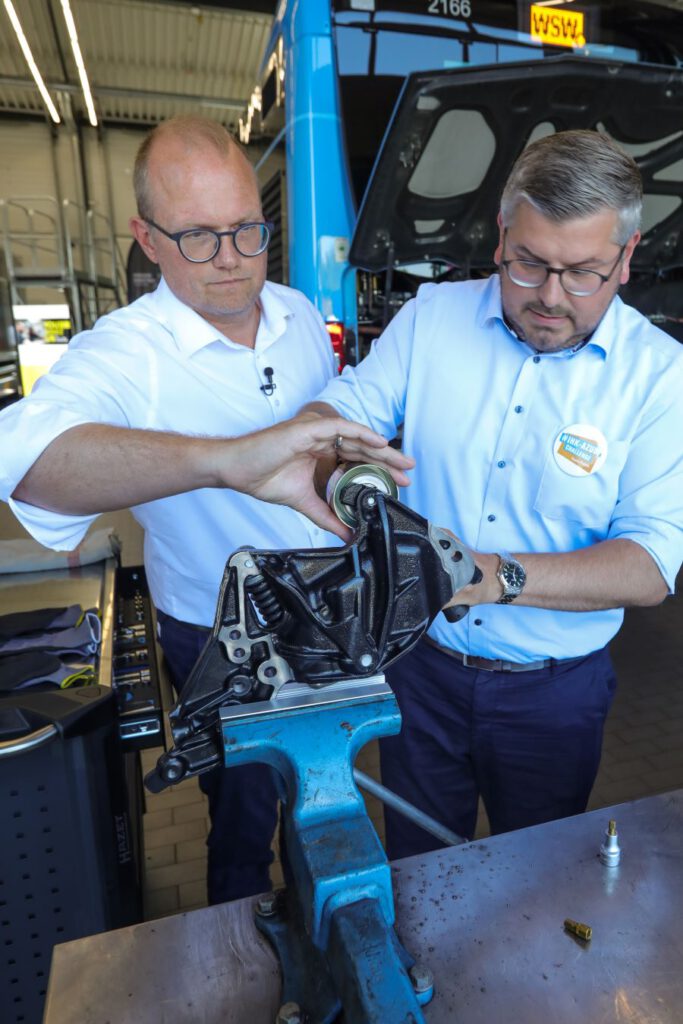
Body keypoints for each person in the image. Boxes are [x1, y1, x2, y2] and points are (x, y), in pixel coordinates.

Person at [0, 115, 412, 902]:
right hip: (215, 632)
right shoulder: (124, 351)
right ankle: (246, 958)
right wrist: (223, 461)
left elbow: (309, 449)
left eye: (245, 231)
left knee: (325, 801)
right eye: (196, 237)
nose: (229, 260)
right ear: (146, 238)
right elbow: (29, 467)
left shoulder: (295, 315)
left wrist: (337, 469)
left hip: (323, 612)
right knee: (242, 815)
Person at [303, 130, 683, 859]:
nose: (548, 296)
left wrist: (491, 578)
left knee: (533, 884)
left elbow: (649, 565)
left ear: (626, 259)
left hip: (553, 697)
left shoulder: (660, 377)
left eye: (582, 274)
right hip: (419, 670)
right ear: (502, 233)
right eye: (528, 262)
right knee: (416, 872)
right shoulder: (431, 318)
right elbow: (338, 415)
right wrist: (312, 441)